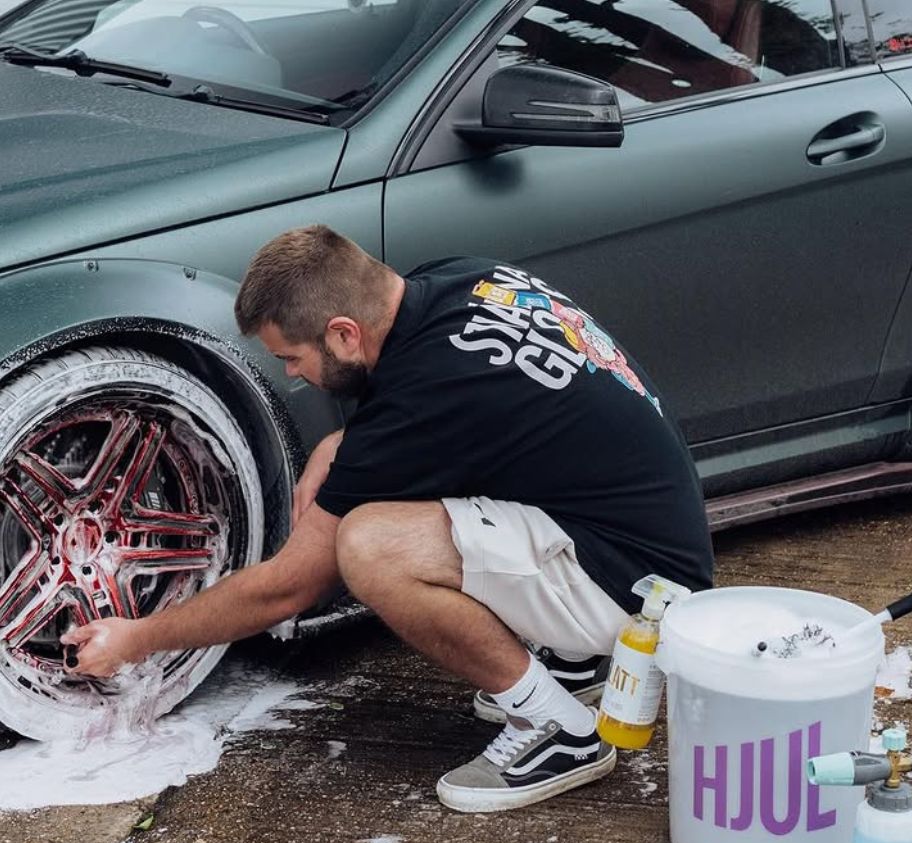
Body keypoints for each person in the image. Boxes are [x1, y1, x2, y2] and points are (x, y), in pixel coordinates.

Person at [64, 225, 714, 812]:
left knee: (372, 546)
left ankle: (558, 730)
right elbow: (471, 409)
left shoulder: (422, 396)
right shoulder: (464, 275)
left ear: (345, 332)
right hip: (643, 539)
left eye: (292, 358)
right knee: (430, 510)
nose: (291, 373)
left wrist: (138, 638)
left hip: (644, 599)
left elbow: (289, 587)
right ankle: (572, 662)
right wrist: (337, 443)